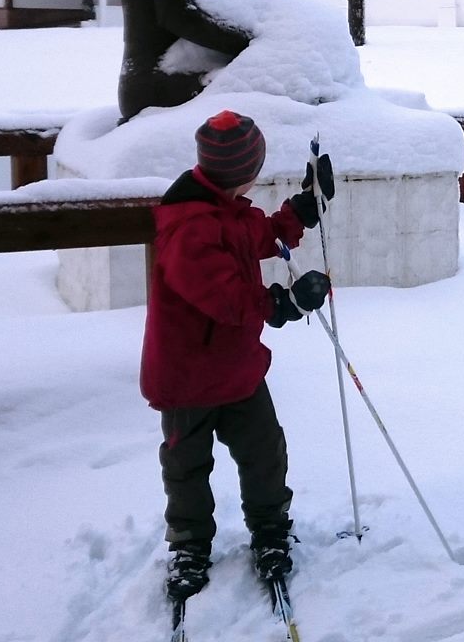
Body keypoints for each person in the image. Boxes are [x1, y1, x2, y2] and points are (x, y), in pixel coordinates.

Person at [141, 109, 333, 605]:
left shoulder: (228, 209)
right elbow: (224, 297)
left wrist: (299, 213)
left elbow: (255, 238)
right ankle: (189, 545)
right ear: (242, 171)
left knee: (264, 451)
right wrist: (282, 304)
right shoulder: (190, 228)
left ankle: (270, 529)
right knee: (186, 467)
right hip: (187, 378)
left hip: (237, 369)